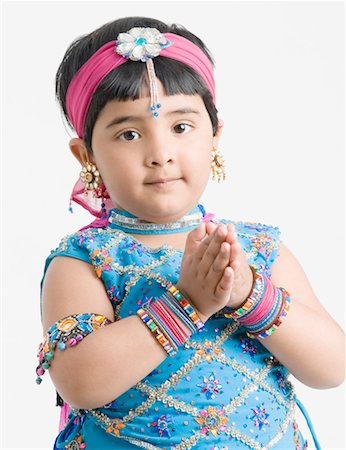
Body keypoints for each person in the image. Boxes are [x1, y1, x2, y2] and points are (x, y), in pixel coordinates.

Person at [36, 16, 344, 450]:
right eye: (128, 133)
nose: (160, 154)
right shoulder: (84, 260)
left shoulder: (254, 249)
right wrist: (188, 304)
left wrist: (251, 295)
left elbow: (332, 367)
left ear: (214, 137)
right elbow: (82, 382)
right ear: (86, 154)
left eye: (181, 127)